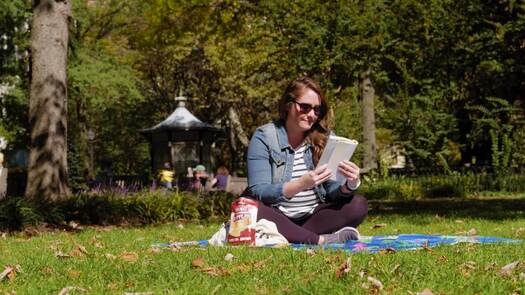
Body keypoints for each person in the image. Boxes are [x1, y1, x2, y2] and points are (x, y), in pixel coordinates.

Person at [246, 76, 368, 245]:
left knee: (358, 205)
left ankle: (293, 235)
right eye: (305, 107)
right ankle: (318, 239)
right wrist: (300, 184)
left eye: (317, 110)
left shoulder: (325, 138)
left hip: (313, 218)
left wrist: (349, 184)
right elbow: (259, 191)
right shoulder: (264, 137)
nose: (311, 115)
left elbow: (331, 190)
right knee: (249, 206)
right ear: (288, 104)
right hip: (276, 216)